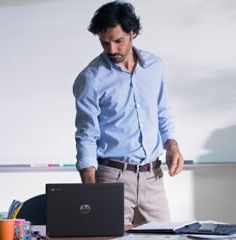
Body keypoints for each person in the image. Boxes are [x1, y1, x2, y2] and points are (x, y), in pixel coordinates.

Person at [73, 1, 184, 225]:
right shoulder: (91, 78)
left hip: (153, 177)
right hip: (112, 178)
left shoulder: (155, 66)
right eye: (105, 43)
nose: (111, 50)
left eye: (118, 41)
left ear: (132, 33)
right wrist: (90, 188)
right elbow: (86, 133)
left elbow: (162, 112)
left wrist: (172, 145)